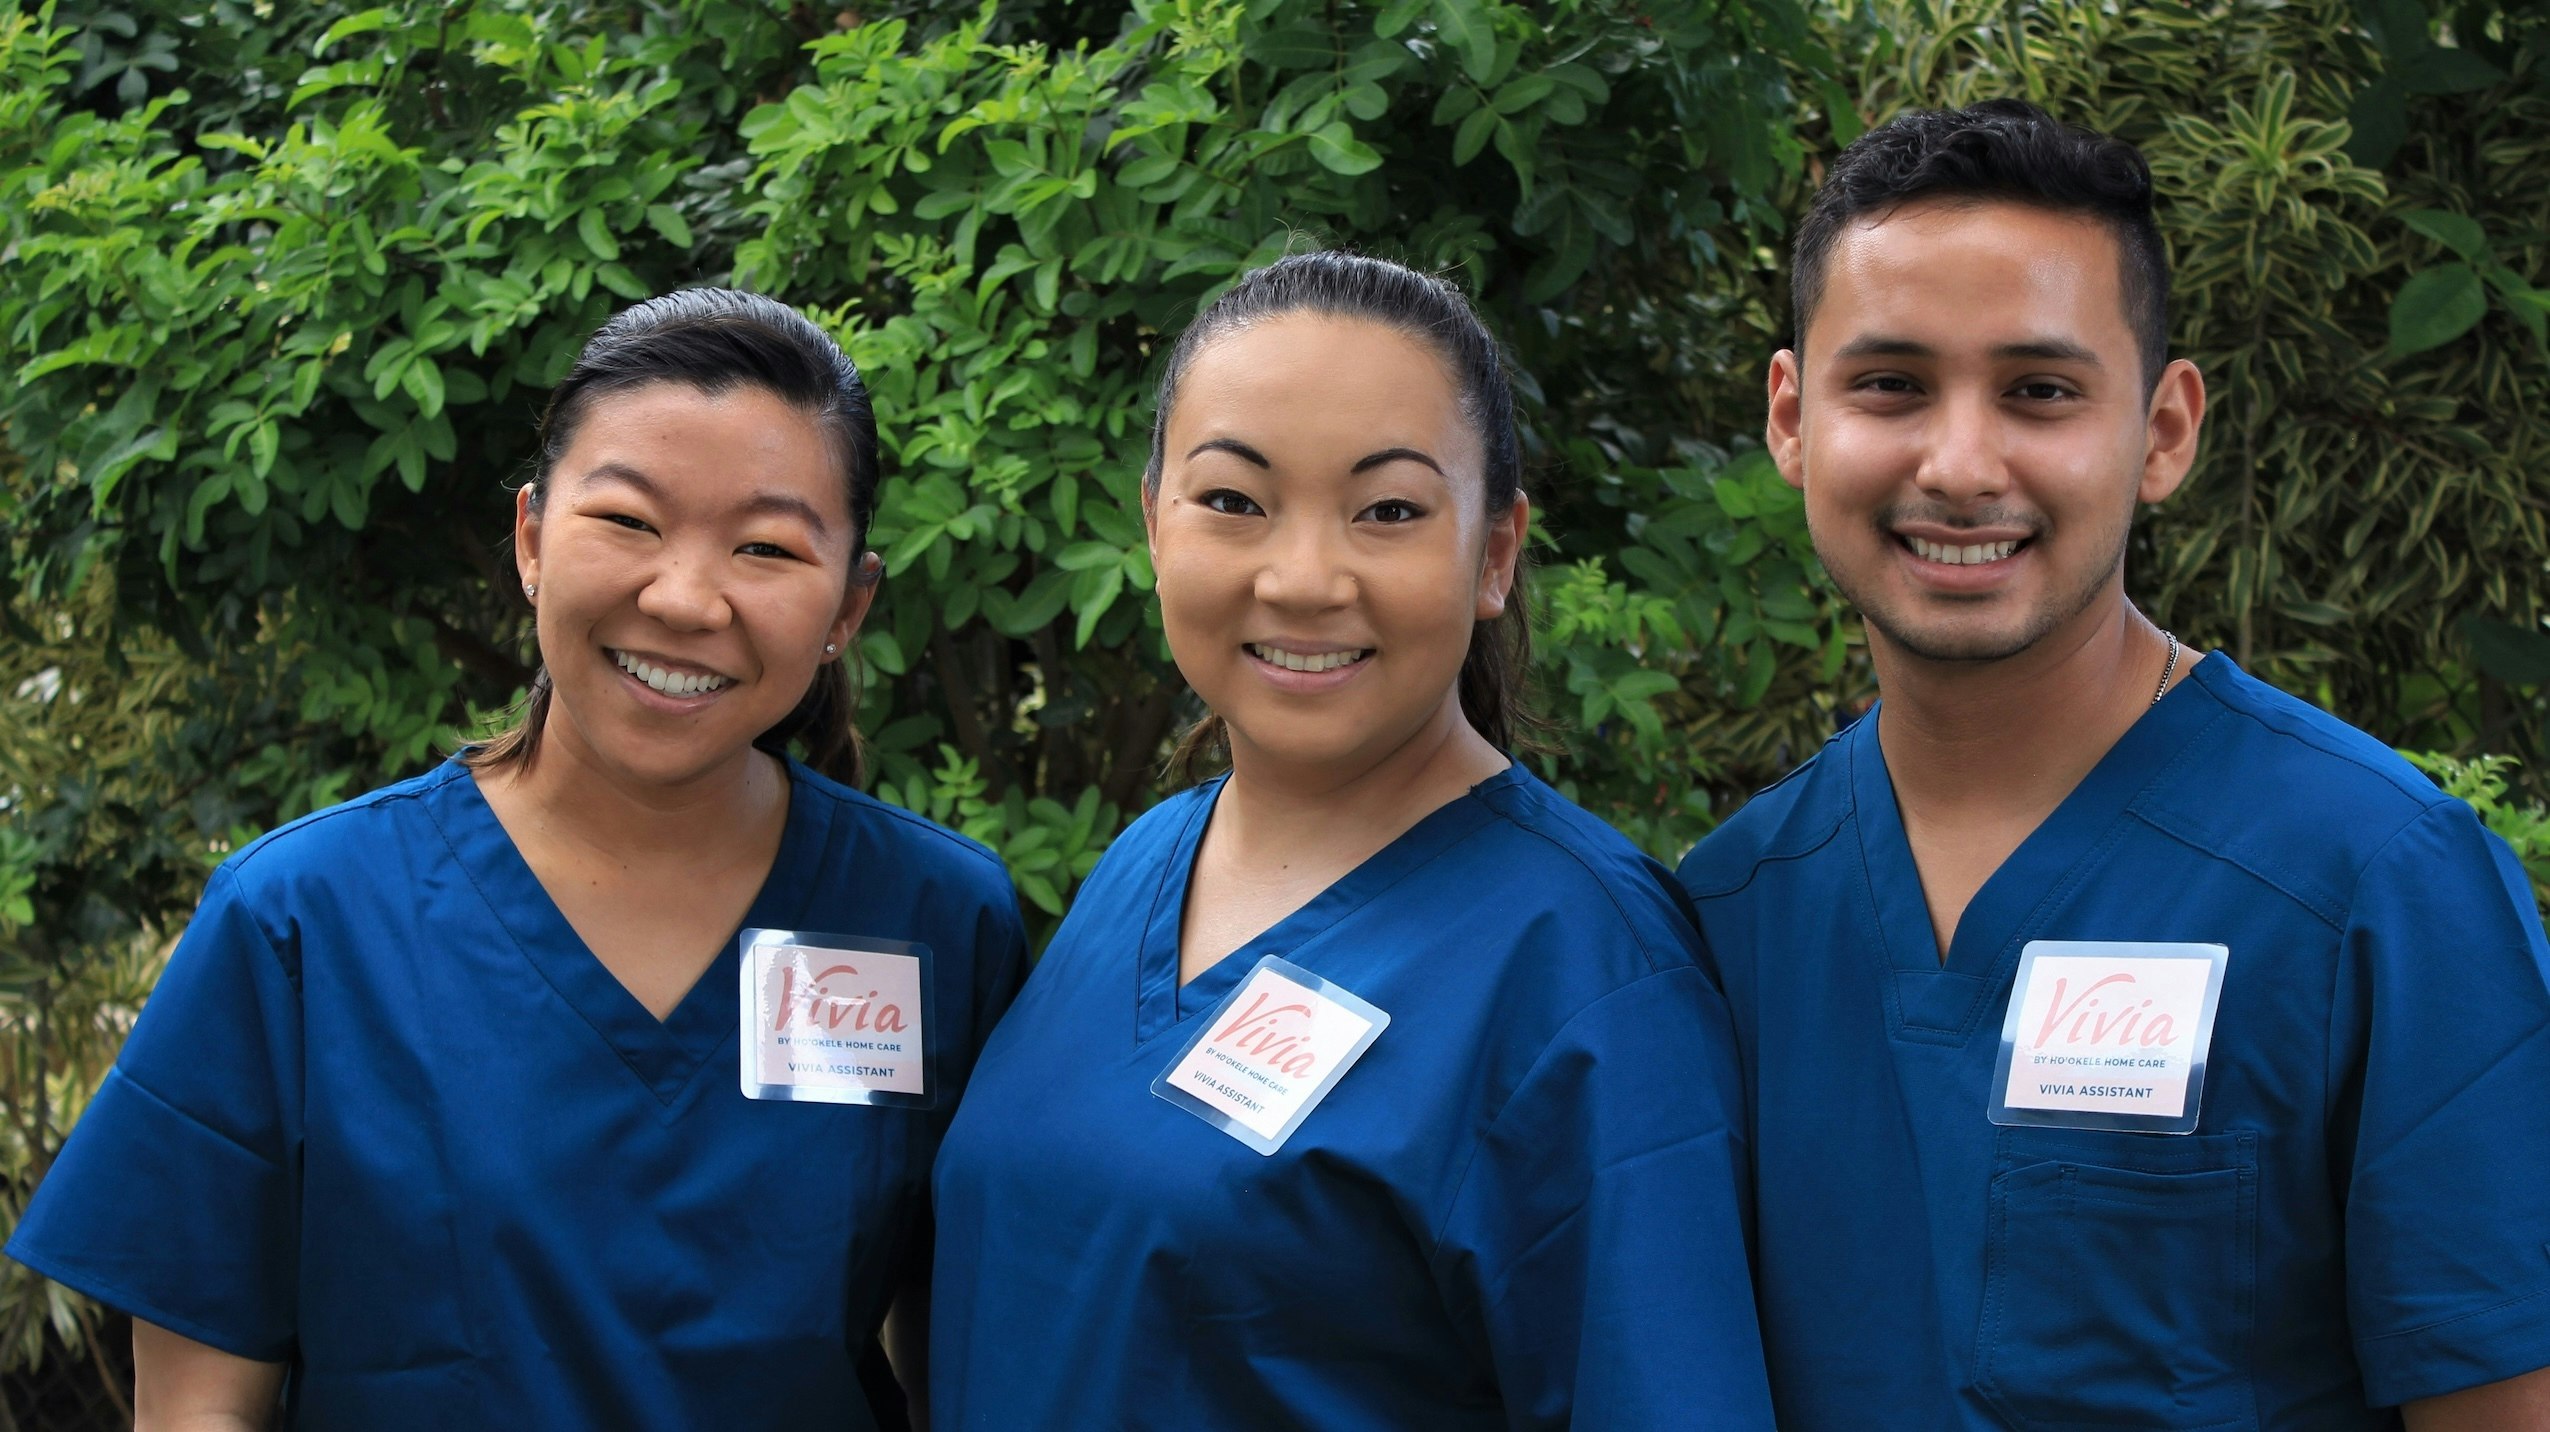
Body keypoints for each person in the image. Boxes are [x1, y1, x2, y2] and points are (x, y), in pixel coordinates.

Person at [6, 289, 1028, 1431]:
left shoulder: (933, 919)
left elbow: (975, 1356)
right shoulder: (305, 922)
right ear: (532, 537)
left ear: (850, 603)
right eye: (629, 522)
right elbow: (198, 1408)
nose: (685, 598)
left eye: (767, 547)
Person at [1677, 99, 2550, 1429]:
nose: (1959, 464)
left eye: (2038, 391)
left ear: (2161, 430)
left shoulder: (2373, 884)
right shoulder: (1727, 917)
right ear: (1792, 421)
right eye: (1890, 385)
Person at [926, 251, 1773, 1429]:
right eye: (1233, 500)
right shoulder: (1142, 866)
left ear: (1494, 553)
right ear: (1154, 527)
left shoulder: (1586, 972)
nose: (1305, 577)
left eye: (1387, 511)